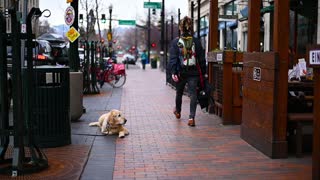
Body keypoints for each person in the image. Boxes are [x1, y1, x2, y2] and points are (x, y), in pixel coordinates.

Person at [168, 16, 207, 127]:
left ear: (181, 28)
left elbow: (173, 59)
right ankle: (191, 118)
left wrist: (174, 72)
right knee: (193, 94)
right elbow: (201, 59)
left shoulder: (176, 42)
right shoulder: (196, 41)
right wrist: (203, 72)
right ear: (191, 28)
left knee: (179, 92)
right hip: (193, 72)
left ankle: (178, 111)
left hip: (181, 71)